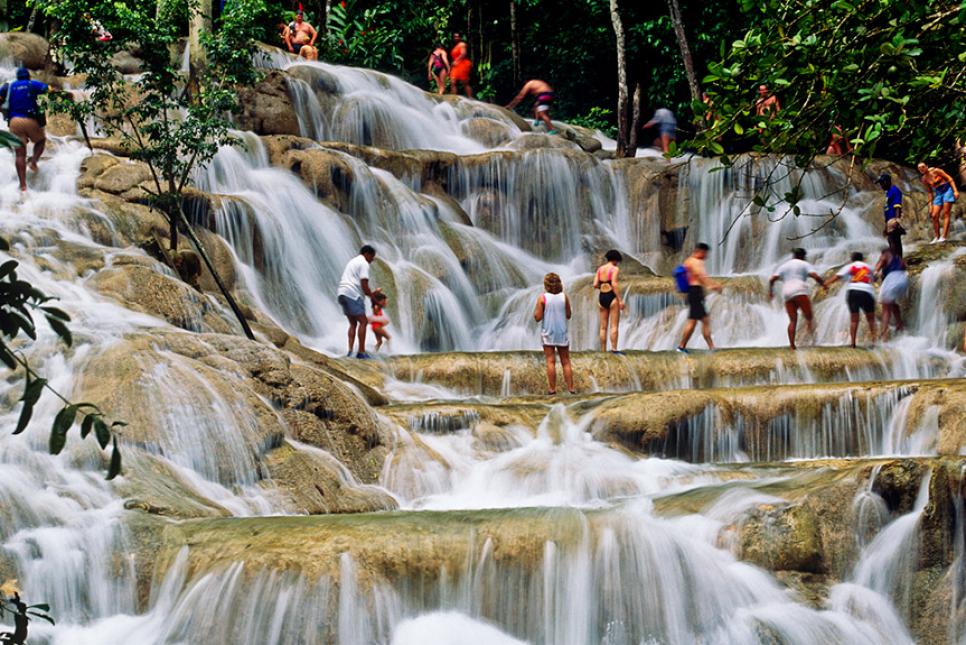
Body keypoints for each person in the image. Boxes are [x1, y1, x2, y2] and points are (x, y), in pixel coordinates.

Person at [0, 68, 49, 194]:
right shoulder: (32, 84)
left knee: (20, 155)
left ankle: (23, 186)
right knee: (41, 141)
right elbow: (47, 89)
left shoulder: (9, 86)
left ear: (17, 77)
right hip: (29, 119)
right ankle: (33, 162)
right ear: (28, 76)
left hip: (14, 121)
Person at [769, 248, 826, 350]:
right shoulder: (804, 264)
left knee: (792, 320)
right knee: (809, 317)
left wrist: (770, 292)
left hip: (787, 293)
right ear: (802, 256)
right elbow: (815, 276)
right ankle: (813, 342)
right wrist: (823, 284)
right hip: (800, 290)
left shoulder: (784, 265)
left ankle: (792, 346)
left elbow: (772, 279)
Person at [825, 251, 877, 348]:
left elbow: (837, 276)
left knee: (854, 319)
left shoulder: (849, 266)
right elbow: (874, 278)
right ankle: (874, 342)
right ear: (863, 259)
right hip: (867, 292)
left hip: (853, 292)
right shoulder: (869, 267)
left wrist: (825, 284)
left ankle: (853, 343)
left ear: (852, 259)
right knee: (871, 319)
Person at [534, 272, 575, 395]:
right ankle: (571, 388)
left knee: (550, 361)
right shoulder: (564, 297)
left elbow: (537, 317)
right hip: (562, 332)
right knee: (566, 361)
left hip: (548, 332)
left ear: (546, 285)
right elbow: (568, 315)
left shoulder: (543, 298)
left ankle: (552, 389)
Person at [677, 243, 722, 353]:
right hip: (695, 292)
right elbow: (699, 276)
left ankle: (710, 347)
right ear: (700, 251)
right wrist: (713, 286)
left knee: (699, 321)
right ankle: (682, 347)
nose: (706, 256)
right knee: (697, 321)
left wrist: (711, 285)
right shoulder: (695, 261)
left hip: (695, 293)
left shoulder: (689, 261)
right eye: (705, 253)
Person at [337, 245, 378, 359]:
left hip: (342, 293)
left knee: (353, 324)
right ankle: (361, 352)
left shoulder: (353, 261)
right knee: (363, 322)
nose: (372, 260)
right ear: (367, 254)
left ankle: (350, 351)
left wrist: (371, 294)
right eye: (372, 257)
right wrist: (375, 300)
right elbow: (364, 286)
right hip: (352, 294)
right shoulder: (364, 263)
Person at [917, 162, 959, 243]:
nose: (921, 169)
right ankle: (937, 236)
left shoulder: (936, 171)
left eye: (923, 167)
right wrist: (930, 206)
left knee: (946, 213)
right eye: (919, 168)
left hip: (947, 190)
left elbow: (949, 179)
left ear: (926, 166)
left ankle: (943, 237)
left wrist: (955, 191)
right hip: (938, 193)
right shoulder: (924, 179)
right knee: (934, 215)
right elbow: (929, 192)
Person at [593, 249, 626, 353]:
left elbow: (595, 285)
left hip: (601, 297)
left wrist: (603, 287)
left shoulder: (599, 269)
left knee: (603, 327)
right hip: (611, 297)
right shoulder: (614, 269)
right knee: (614, 326)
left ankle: (603, 350)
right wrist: (620, 300)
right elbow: (614, 284)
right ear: (616, 260)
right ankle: (614, 349)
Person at [874, 246, 908, 341]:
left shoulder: (885, 255)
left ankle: (884, 334)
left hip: (892, 279)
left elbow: (878, 266)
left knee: (886, 308)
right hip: (903, 279)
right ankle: (900, 324)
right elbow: (904, 266)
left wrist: (875, 274)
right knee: (891, 302)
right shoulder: (898, 257)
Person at [876, 173, 905, 257]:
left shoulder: (894, 190)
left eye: (882, 183)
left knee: (894, 240)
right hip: (889, 219)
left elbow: (897, 206)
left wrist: (897, 220)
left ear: (887, 182)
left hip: (893, 218)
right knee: (891, 240)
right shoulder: (888, 192)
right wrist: (886, 226)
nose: (881, 185)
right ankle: (896, 259)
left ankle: (898, 259)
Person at [449, 33, 473, 97]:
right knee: (452, 82)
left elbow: (463, 53)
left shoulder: (462, 44)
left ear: (460, 37)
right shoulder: (455, 46)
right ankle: (453, 97)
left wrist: (456, 61)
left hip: (463, 64)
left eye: (457, 36)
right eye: (455, 37)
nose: (456, 38)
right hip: (456, 65)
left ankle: (470, 97)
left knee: (465, 83)